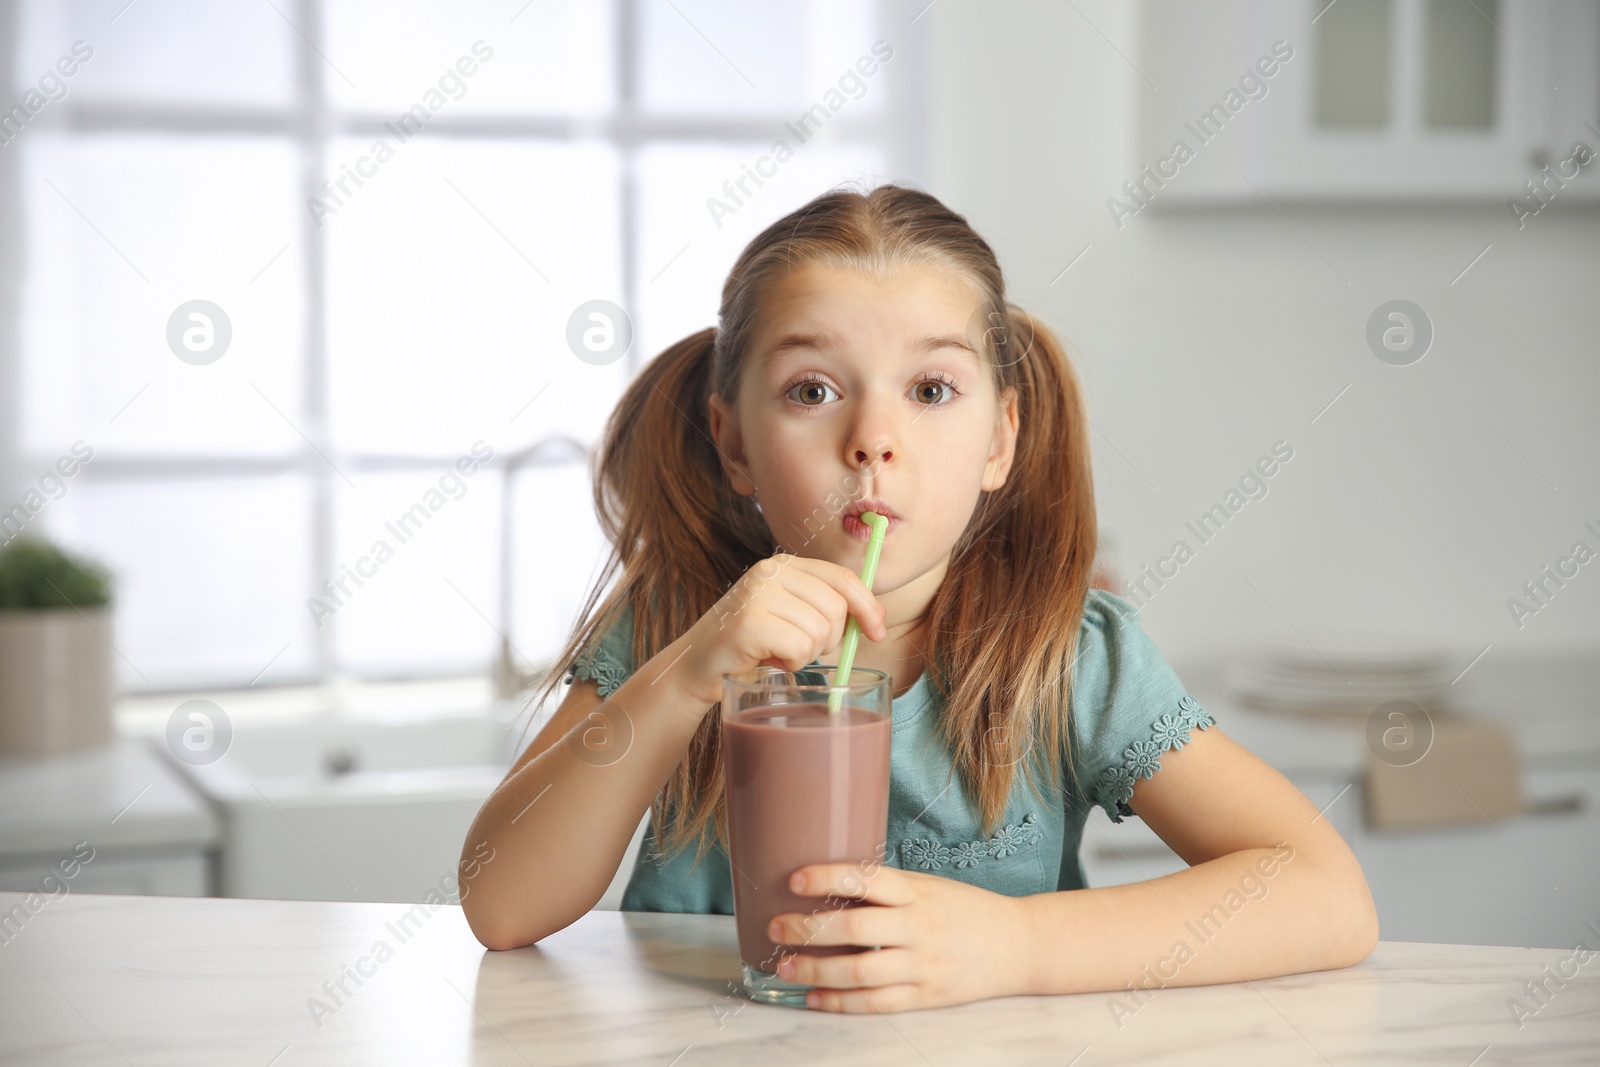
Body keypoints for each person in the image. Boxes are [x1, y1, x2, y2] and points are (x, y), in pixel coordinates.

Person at [460, 182, 1378, 1014]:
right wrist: (682, 679)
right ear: (732, 442)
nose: (873, 440)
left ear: (999, 441)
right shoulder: (677, 625)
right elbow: (501, 902)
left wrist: (1019, 945)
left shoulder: (1068, 656)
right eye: (812, 389)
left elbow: (1326, 894)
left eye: (931, 389)